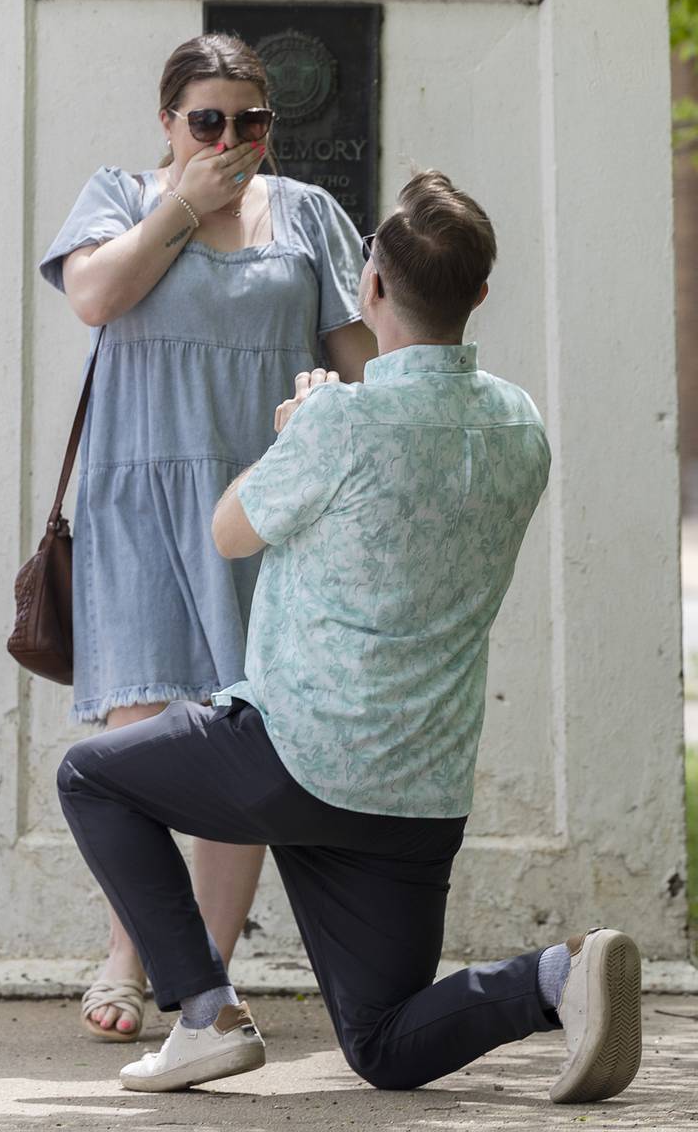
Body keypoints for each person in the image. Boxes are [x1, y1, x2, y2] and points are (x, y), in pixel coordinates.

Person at [57, 170, 642, 1103]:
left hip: (295, 751)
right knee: (384, 1045)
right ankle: (554, 977)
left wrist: (295, 434)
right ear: (480, 295)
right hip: (417, 787)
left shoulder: (341, 419)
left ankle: (204, 1014)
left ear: (371, 289)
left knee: (90, 776)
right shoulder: (520, 423)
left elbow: (229, 531)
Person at [39, 32, 375, 1040]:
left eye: (251, 123)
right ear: (168, 121)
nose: (231, 140)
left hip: (263, 506)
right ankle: (125, 960)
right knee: (138, 737)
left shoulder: (308, 213)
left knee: (240, 737)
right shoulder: (120, 197)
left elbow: (357, 360)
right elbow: (94, 295)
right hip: (137, 499)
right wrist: (183, 205)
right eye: (208, 121)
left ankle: (209, 976)